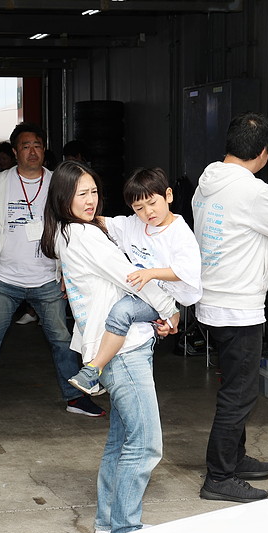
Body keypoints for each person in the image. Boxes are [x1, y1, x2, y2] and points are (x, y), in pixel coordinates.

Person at [40, 160, 178, 533]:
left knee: (122, 440)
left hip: (114, 346)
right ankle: (125, 529)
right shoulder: (85, 235)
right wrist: (170, 309)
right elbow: (132, 277)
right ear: (63, 198)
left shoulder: (67, 233)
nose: (90, 200)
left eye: (93, 192)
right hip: (124, 350)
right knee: (145, 443)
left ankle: (107, 522)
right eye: (80, 194)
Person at [191, 112, 268, 503]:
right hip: (238, 307)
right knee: (239, 395)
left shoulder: (206, 183)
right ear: (264, 153)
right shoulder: (252, 191)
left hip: (213, 301)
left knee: (233, 388)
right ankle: (219, 476)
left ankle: (234, 458)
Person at [0, 123, 105, 416]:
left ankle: (75, 398)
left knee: (62, 339)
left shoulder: (57, 182)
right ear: (15, 152)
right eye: (25, 146)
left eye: (37, 145)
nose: (32, 151)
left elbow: (72, 227)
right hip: (4, 278)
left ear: (44, 149)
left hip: (48, 278)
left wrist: (68, 273)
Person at [69, 167, 202, 395]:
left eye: (152, 203)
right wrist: (69, 217)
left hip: (163, 296)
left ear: (168, 196)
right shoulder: (136, 224)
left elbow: (187, 271)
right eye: (139, 208)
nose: (148, 212)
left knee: (121, 312)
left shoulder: (180, 233)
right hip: (143, 292)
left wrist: (151, 273)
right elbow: (104, 223)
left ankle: (93, 369)